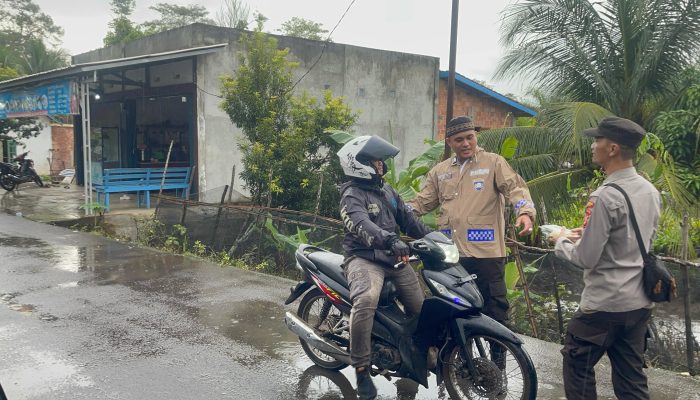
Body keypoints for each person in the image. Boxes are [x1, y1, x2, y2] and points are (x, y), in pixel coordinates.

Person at [550, 116, 661, 400]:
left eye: (597, 140)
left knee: (578, 370)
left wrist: (560, 239)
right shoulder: (650, 191)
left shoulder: (605, 196)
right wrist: (584, 233)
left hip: (604, 306)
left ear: (612, 148)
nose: (592, 145)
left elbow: (586, 258)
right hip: (638, 304)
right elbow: (638, 242)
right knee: (631, 381)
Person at [408, 116, 536, 327]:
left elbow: (516, 188)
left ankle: (499, 358)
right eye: (459, 139)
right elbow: (421, 203)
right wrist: (396, 213)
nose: (466, 143)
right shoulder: (440, 172)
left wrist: (524, 212)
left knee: (495, 311)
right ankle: (458, 358)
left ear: (476, 137)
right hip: (451, 254)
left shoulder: (493, 163)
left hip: (485, 254)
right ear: (450, 142)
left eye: (469, 137)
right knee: (453, 309)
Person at [337, 135, 432, 400]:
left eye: (380, 161)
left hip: (395, 260)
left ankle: (417, 354)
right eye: (376, 161)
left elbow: (410, 220)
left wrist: (436, 239)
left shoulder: (388, 192)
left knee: (422, 308)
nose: (381, 165)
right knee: (366, 300)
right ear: (360, 164)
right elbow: (361, 224)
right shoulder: (351, 195)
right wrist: (390, 239)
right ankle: (361, 369)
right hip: (365, 259)